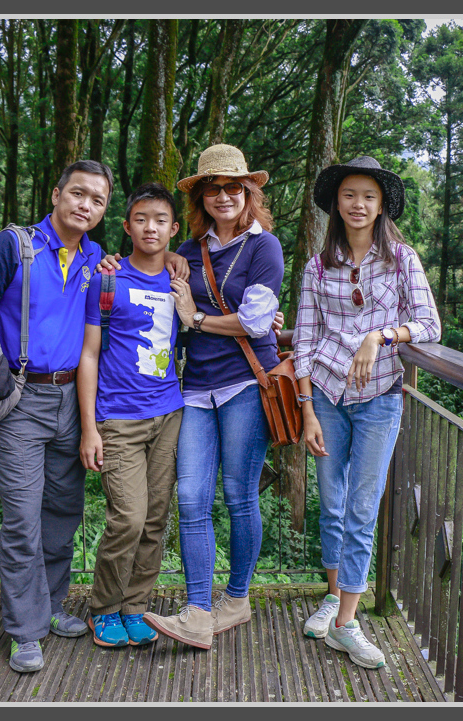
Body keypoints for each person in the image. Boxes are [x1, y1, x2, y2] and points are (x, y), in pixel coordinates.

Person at [0, 160, 186, 674]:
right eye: (78, 194)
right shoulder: (12, 246)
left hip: (72, 403)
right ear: (56, 195)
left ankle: (53, 605)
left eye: (97, 201)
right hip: (18, 399)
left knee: (62, 514)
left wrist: (178, 265)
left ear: (104, 213)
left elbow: (143, 274)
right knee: (22, 519)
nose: (86, 205)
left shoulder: (97, 258)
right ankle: (24, 630)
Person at [292, 156, 441, 669]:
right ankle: (333, 598)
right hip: (328, 398)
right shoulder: (317, 266)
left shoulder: (402, 259)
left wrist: (381, 335)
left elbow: (428, 324)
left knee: (362, 505)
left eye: (368, 197)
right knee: (331, 502)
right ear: (337, 202)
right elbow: (305, 343)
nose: (358, 205)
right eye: (349, 195)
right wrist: (307, 410)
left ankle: (347, 624)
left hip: (380, 398)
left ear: (381, 207)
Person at [140, 144, 285, 650]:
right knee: (191, 497)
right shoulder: (194, 250)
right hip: (196, 386)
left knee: (239, 495)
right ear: (200, 196)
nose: (223, 196)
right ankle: (198, 611)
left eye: (233, 187)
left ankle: (238, 598)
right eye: (213, 188)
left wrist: (196, 320)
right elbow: (157, 279)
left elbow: (256, 321)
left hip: (247, 382)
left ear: (248, 192)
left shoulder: (264, 247)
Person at [77, 183, 184, 648]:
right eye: (141, 219)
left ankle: (136, 606)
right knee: (129, 518)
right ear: (127, 226)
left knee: (156, 518)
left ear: (173, 228)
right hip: (118, 418)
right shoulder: (107, 280)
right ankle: (102, 608)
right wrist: (88, 428)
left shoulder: (182, 282)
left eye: (160, 220)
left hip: (170, 413)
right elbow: (88, 356)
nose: (151, 227)